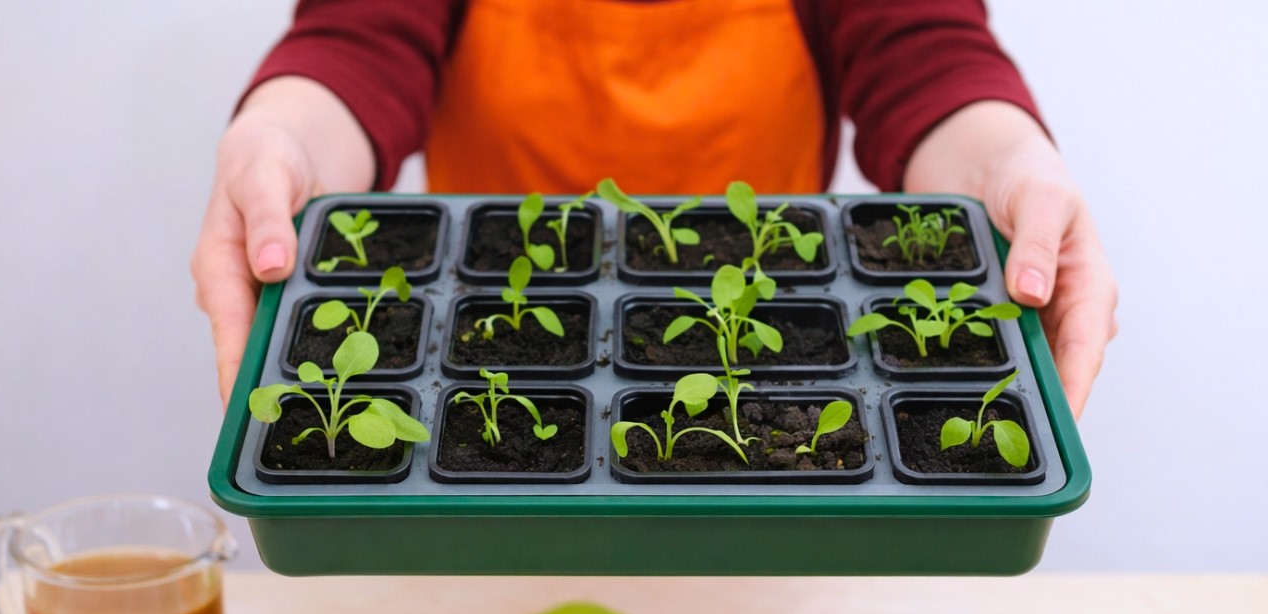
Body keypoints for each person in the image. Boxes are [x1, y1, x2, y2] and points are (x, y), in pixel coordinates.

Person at [192, 0, 1116, 418]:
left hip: (771, 384)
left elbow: (922, 49)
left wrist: (1016, 161)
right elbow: (360, 39)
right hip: (486, 354)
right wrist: (281, 137)